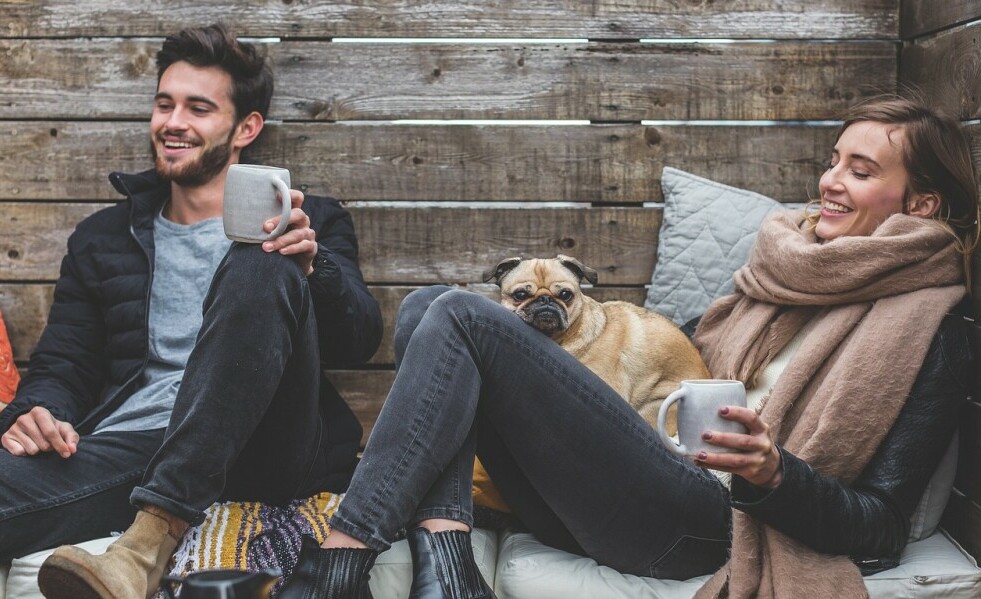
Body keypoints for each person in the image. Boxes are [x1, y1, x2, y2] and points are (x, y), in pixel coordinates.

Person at [275, 96, 978, 599]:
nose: (829, 180)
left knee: (458, 312)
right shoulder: (788, 268)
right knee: (432, 306)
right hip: (642, 487)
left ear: (919, 205)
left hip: (711, 525)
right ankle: (448, 558)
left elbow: (882, 526)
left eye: (859, 170)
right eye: (832, 160)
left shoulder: (927, 323)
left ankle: (340, 559)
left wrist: (773, 474)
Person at [0, 23, 382, 599]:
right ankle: (158, 515)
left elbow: (360, 339)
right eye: (164, 104)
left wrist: (313, 266)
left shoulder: (312, 220)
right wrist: (36, 411)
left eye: (198, 108)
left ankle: (150, 540)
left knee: (265, 254)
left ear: (245, 127)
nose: (173, 122)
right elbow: (65, 363)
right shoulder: (103, 237)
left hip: (267, 441)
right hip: (138, 447)